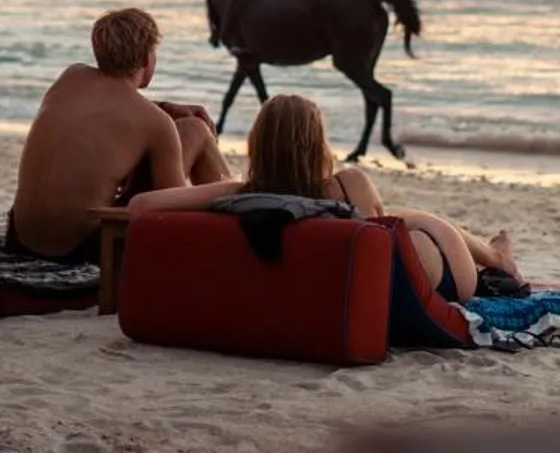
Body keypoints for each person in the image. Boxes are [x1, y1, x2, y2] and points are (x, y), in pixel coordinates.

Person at [128, 93, 520, 301]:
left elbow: (140, 206)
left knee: (399, 216)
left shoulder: (239, 192)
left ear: (258, 145)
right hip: (435, 285)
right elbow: (379, 252)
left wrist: (213, 201)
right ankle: (497, 257)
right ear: (318, 143)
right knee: (415, 221)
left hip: (334, 276)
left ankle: (494, 254)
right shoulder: (348, 183)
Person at [8, 7, 230, 262]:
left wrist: (167, 106)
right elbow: (171, 211)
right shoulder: (155, 123)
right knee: (196, 129)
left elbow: (108, 106)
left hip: (21, 238)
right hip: (81, 248)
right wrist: (228, 189)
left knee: (187, 127)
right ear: (147, 59)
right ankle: (235, 223)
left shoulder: (70, 78)